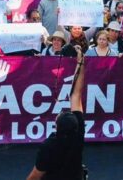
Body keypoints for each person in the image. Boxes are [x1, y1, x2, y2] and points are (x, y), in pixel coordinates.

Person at [28, 46, 86, 180]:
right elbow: (76, 94)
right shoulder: (78, 134)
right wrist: (81, 62)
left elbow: (35, 176)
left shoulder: (49, 146)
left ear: (57, 126)